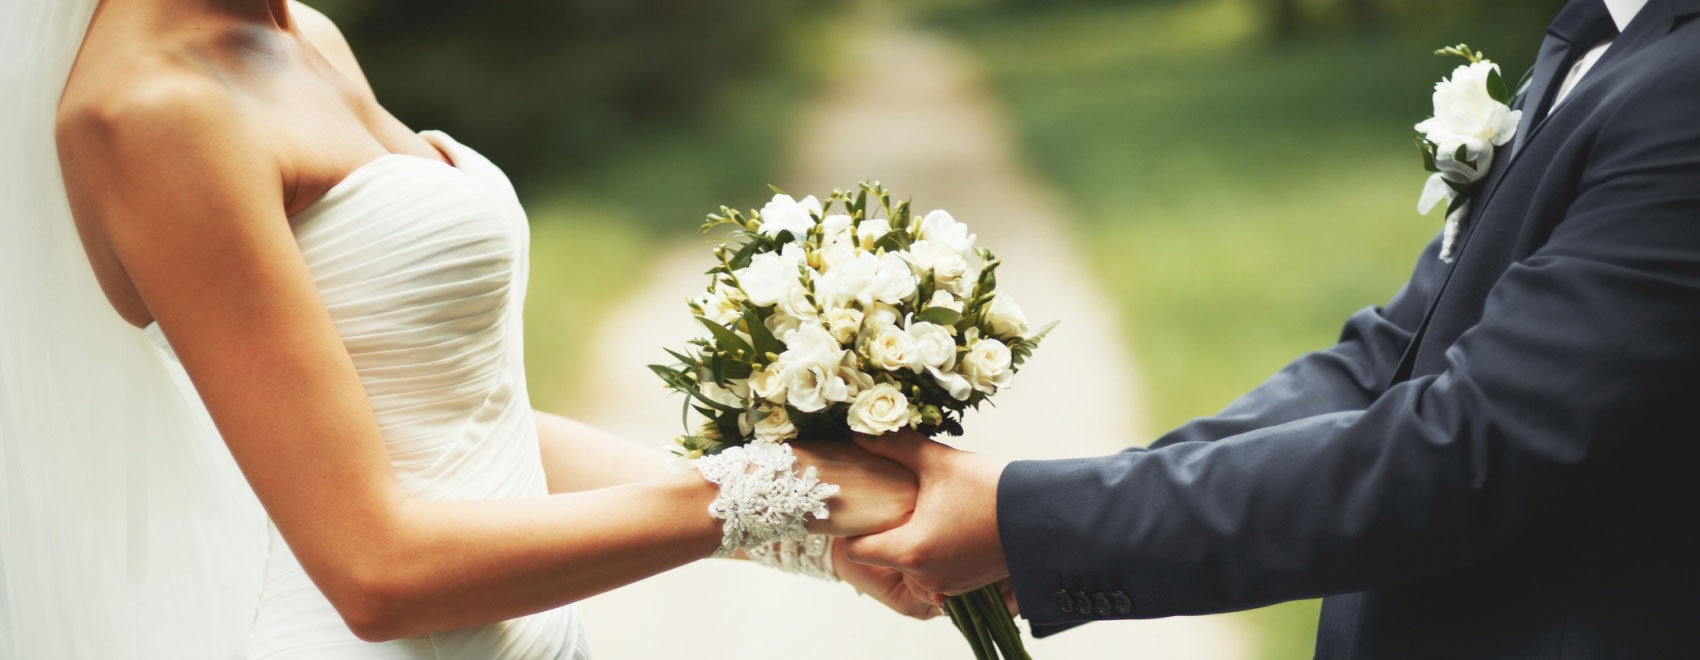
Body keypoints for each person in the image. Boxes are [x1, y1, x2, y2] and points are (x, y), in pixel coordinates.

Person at [0, 0, 935, 657]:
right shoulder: (152, 111)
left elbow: (458, 420)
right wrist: (776, 488)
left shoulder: (298, 32)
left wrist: (819, 533)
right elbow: (377, 575)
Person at [843, 0, 1700, 656]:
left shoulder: (1684, 85)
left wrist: (1027, 524)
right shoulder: (1609, 38)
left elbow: (1470, 447)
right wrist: (1044, 510)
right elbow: (1386, 359)